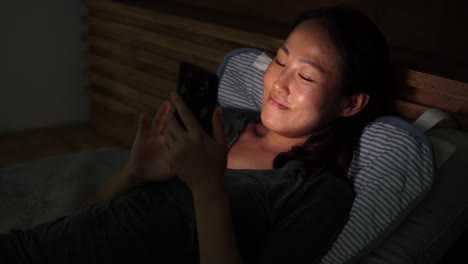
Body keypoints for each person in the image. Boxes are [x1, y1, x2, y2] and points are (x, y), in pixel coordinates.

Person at [0, 5, 394, 264]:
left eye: (306, 75)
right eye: (280, 59)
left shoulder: (317, 191)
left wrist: (207, 188)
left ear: (350, 103)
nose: (278, 83)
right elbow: (101, 216)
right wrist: (134, 174)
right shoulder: (225, 123)